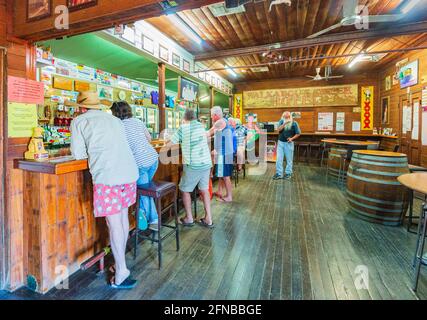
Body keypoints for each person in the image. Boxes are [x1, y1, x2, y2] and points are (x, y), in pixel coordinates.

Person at [70, 91, 139, 289]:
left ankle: (122, 270)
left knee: (114, 224)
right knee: (123, 219)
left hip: (108, 178)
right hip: (128, 173)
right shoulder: (115, 120)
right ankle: (121, 265)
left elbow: (78, 155)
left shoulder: (79, 121)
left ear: (81, 107)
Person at [111, 101, 159, 231]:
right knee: (146, 189)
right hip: (153, 159)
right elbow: (149, 139)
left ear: (115, 113)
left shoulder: (118, 125)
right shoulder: (138, 121)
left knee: (144, 192)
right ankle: (144, 212)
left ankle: (154, 220)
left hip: (140, 163)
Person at [168, 108, 214, 228]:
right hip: (206, 163)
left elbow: (170, 143)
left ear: (185, 118)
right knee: (204, 190)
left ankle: (189, 218)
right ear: (194, 117)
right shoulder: (201, 126)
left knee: (184, 189)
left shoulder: (183, 128)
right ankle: (208, 218)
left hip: (193, 164)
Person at [207, 106, 234, 203]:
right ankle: (224, 193)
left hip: (224, 153)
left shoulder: (219, 122)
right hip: (226, 152)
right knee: (224, 175)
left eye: (211, 116)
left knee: (225, 176)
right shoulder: (224, 121)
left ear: (215, 115)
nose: (211, 118)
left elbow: (208, 133)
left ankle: (229, 197)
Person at [273, 111, 301, 180]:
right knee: (279, 159)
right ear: (283, 117)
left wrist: (292, 138)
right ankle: (279, 173)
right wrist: (284, 123)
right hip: (280, 143)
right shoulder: (281, 121)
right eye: (285, 117)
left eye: (288, 117)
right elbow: (278, 130)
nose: (287, 118)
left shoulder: (294, 123)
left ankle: (288, 173)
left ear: (290, 117)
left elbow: (298, 133)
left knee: (289, 159)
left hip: (289, 143)